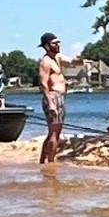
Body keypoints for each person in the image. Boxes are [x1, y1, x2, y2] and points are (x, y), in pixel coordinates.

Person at [37, 31, 68, 164]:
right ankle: (51, 162)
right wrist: (50, 103)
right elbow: (43, 83)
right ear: (47, 46)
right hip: (53, 98)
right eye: (55, 43)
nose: (58, 45)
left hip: (58, 98)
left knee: (53, 133)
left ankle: (43, 162)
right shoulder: (46, 62)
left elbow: (72, 60)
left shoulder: (56, 58)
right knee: (55, 134)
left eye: (58, 42)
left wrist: (83, 60)